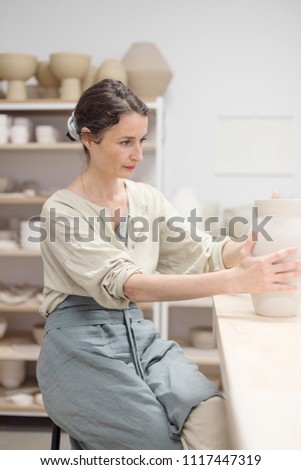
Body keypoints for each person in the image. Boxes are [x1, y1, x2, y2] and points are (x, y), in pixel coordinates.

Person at [37, 79, 301, 450]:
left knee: (213, 421)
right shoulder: (61, 211)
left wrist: (258, 238)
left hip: (137, 336)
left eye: (141, 140)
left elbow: (202, 253)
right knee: (156, 443)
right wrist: (233, 280)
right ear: (88, 138)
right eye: (125, 142)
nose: (138, 155)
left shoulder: (146, 198)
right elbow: (130, 284)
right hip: (81, 348)